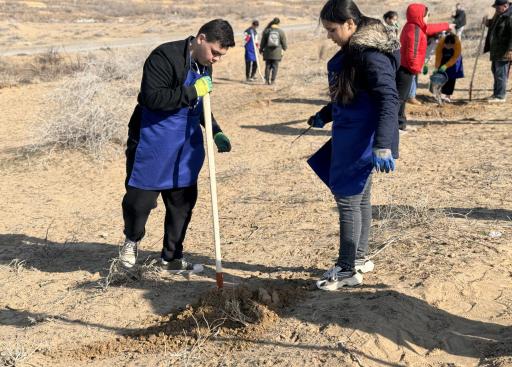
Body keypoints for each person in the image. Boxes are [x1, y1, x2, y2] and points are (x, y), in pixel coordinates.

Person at [119, 19, 235, 273]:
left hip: (185, 145)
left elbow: (201, 104)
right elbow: (152, 98)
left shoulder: (204, 65)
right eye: (214, 52)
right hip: (152, 140)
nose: (216, 59)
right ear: (200, 38)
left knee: (182, 204)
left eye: (220, 56)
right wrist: (193, 91)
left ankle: (171, 257)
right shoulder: (164, 56)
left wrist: (215, 131)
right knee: (139, 202)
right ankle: (132, 240)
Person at [306, 0, 400, 290]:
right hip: (350, 136)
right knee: (360, 199)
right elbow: (353, 95)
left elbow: (388, 99)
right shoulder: (355, 50)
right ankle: (359, 257)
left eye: (332, 29)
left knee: (348, 201)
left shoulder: (370, 56)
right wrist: (325, 114)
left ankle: (347, 270)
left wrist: (383, 144)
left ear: (350, 24)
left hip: (361, 140)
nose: (329, 36)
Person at [396, 4, 454, 130]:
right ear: (420, 16)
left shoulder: (413, 26)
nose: (428, 18)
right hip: (406, 69)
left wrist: (446, 26)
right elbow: (412, 53)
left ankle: (400, 124)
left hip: (405, 68)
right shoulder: (415, 31)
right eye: (427, 16)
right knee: (400, 99)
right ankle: (398, 126)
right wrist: (415, 69)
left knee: (402, 98)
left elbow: (429, 28)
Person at [483, 0, 512, 103]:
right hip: (496, 51)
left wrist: (510, 50)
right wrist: (488, 23)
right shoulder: (500, 14)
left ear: (505, 6)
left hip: (504, 51)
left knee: (501, 74)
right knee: (495, 72)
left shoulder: (510, 16)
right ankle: (496, 94)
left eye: (497, 7)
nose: (496, 9)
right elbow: (495, 26)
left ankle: (500, 96)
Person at [433, 33, 464, 102]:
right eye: (447, 46)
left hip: (454, 60)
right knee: (441, 75)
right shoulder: (440, 43)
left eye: (451, 46)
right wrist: (437, 67)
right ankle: (439, 94)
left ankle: (448, 95)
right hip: (443, 58)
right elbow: (438, 57)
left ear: (453, 44)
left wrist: (447, 65)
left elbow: (455, 57)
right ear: (444, 43)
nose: (449, 47)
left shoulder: (457, 44)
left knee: (452, 77)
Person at [259, 17, 287, 85]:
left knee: (268, 66)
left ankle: (266, 81)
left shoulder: (267, 31)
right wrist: (284, 48)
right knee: (275, 67)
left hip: (267, 52)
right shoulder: (281, 32)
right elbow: (284, 42)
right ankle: (273, 81)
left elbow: (263, 42)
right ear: (278, 23)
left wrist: (261, 49)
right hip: (277, 52)